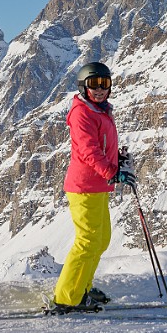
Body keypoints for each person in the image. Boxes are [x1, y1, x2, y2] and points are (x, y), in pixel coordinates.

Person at [50, 62, 136, 314]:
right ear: (83, 87)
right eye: (94, 85)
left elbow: (103, 145)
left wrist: (117, 161)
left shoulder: (101, 110)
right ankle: (67, 297)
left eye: (105, 84)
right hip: (84, 186)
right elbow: (88, 150)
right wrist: (112, 171)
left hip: (99, 186)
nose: (100, 90)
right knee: (87, 242)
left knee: (101, 240)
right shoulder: (82, 113)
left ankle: (82, 287)